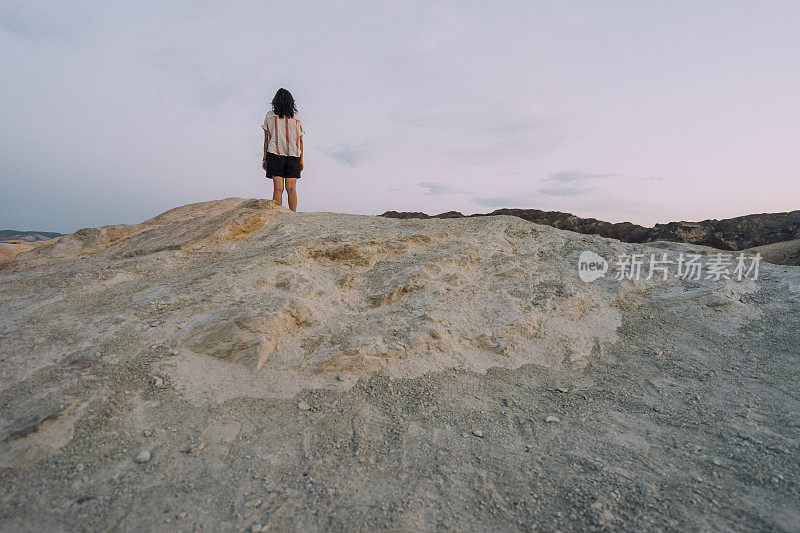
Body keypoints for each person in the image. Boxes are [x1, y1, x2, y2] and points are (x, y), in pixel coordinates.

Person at [262, 88, 305, 211]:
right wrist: (301, 160)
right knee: (291, 188)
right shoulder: (296, 117)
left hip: (275, 153)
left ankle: (278, 216)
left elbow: (266, 139)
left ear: (275, 101)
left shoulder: (270, 116)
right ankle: (293, 215)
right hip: (294, 154)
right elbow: (300, 140)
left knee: (278, 188)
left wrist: (265, 158)